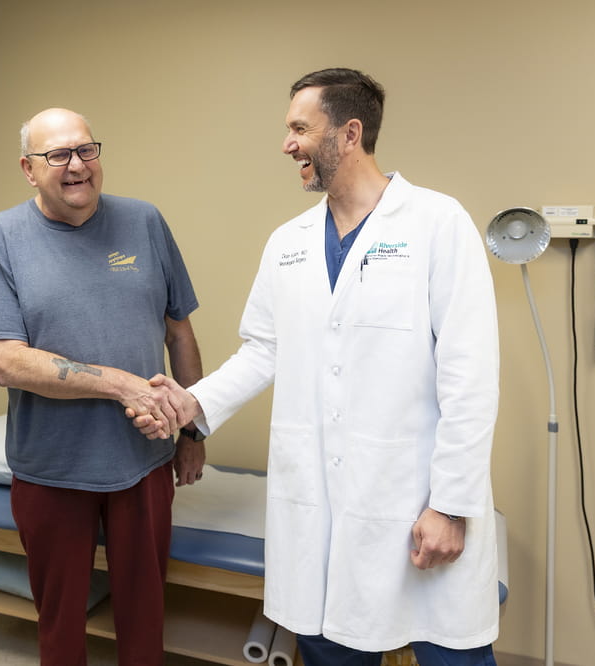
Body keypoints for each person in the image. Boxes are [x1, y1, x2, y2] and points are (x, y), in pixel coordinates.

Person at [134, 68, 500, 666]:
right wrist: (190, 403)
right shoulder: (289, 242)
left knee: (449, 649)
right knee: (330, 645)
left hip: (413, 497)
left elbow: (471, 377)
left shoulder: (438, 224)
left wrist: (451, 504)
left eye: (300, 129)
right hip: (319, 500)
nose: (287, 144)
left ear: (349, 133)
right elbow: (261, 349)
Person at [0, 107, 205, 665]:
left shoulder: (145, 222)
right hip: (51, 466)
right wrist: (121, 385)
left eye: (86, 150)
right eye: (58, 155)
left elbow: (179, 331)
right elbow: (7, 363)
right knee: (60, 620)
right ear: (28, 168)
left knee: (144, 615)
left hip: (142, 459)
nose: (77, 166)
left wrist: (192, 429)